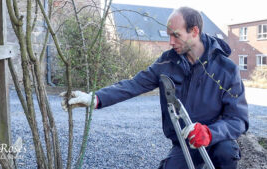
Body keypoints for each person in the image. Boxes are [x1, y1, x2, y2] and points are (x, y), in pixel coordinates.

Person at [60, 6, 249, 169]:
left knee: (227, 152)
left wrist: (210, 132)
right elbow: (134, 84)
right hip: (184, 144)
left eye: (176, 35)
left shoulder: (226, 69)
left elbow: (238, 119)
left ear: (194, 31)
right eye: (169, 35)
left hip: (215, 142)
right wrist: (96, 98)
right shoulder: (167, 62)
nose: (170, 42)